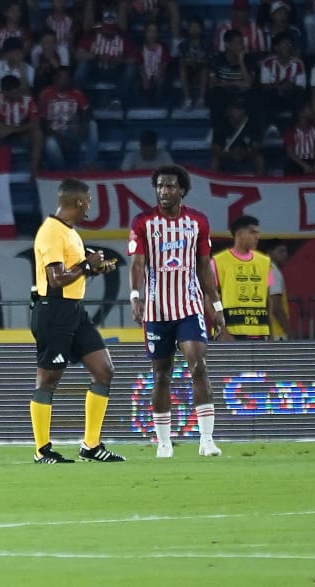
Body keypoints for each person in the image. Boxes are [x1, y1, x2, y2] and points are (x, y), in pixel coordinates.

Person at [128, 164, 225, 458]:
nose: (164, 191)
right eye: (159, 186)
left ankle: (206, 440)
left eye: (170, 186)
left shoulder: (197, 221)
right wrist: (135, 295)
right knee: (161, 376)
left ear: (182, 190)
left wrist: (216, 305)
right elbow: (137, 263)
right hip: (156, 310)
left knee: (198, 364)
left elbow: (204, 266)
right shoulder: (143, 222)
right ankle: (164, 442)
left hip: (189, 306)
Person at [29, 178, 123, 464]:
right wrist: (86, 265)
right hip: (53, 310)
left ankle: (91, 446)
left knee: (104, 371)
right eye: (89, 201)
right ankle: (42, 450)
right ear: (79, 202)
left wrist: (95, 270)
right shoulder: (51, 232)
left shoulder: (70, 233)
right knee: (48, 380)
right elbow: (55, 278)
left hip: (74, 311)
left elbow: (74, 273)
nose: (90, 206)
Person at [212, 215, 285, 341]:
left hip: (259, 331)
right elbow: (210, 298)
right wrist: (223, 330)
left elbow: (267, 300)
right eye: (252, 232)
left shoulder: (264, 262)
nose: (257, 237)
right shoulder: (218, 261)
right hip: (230, 331)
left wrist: (270, 332)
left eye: (257, 233)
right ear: (239, 234)